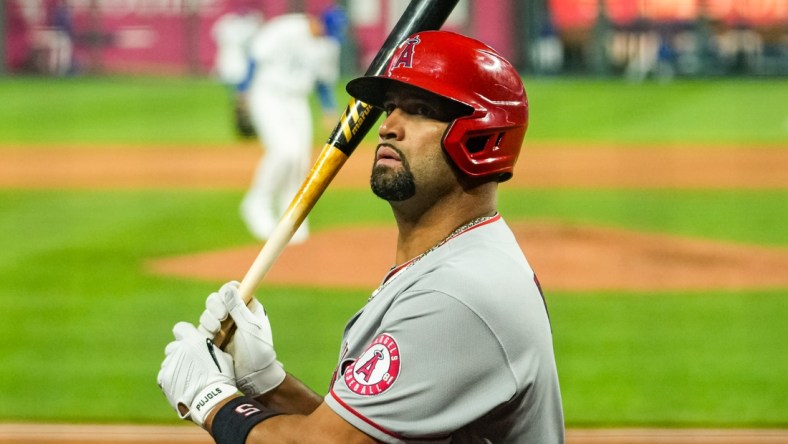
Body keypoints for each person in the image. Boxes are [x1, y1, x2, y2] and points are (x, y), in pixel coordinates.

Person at [158, 31, 565, 443]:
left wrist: (209, 398)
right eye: (391, 107)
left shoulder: (457, 295)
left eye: (420, 110)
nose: (388, 127)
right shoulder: (455, 259)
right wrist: (265, 381)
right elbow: (356, 432)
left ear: (481, 138)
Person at [239, 7, 347, 243]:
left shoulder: (328, 44)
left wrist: (328, 109)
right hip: (268, 94)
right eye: (328, 30)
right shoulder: (286, 28)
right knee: (284, 150)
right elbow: (256, 56)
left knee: (300, 161)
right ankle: (257, 203)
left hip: (297, 100)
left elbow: (323, 81)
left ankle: (292, 218)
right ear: (316, 21)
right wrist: (242, 92)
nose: (329, 36)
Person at [211, 5, 265, 139]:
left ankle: (247, 126)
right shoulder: (243, 25)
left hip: (238, 66)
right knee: (240, 100)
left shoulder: (232, 24)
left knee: (244, 99)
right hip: (235, 65)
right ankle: (243, 127)